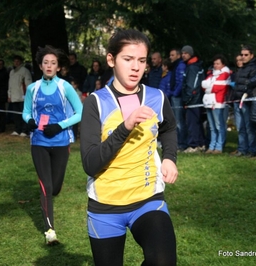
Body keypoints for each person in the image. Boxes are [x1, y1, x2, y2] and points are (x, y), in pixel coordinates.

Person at [80, 29, 177, 266]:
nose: (136, 67)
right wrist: (125, 127)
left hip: (148, 199)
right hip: (106, 207)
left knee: (163, 262)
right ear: (111, 60)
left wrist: (170, 157)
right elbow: (90, 164)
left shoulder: (157, 97)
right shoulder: (96, 102)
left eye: (142, 61)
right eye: (128, 59)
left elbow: (169, 128)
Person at [22, 45, 83, 245]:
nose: (49, 66)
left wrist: (59, 126)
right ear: (40, 66)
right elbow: (26, 112)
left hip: (60, 141)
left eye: (53, 63)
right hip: (38, 141)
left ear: (58, 67)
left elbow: (80, 112)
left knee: (55, 188)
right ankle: (50, 232)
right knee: (46, 187)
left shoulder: (65, 87)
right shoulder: (33, 88)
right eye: (46, 62)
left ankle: (52, 191)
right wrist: (29, 121)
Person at [230, 45, 256, 157]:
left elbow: (252, 85)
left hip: (246, 101)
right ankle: (242, 149)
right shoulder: (241, 69)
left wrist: (247, 95)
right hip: (237, 100)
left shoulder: (254, 68)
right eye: (242, 55)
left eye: (246, 55)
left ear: (251, 55)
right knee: (240, 127)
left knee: (248, 127)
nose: (243, 57)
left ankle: (252, 150)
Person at [202, 54, 231, 154]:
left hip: (218, 103)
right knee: (212, 127)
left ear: (223, 64)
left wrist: (208, 86)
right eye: (214, 63)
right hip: (209, 102)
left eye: (218, 63)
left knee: (219, 126)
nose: (215, 65)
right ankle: (211, 146)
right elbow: (203, 86)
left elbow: (218, 87)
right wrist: (210, 86)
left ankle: (219, 147)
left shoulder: (225, 74)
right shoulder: (211, 74)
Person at [181, 45, 206, 153]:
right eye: (182, 53)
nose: (183, 55)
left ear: (190, 54)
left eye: (185, 53)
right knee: (197, 122)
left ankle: (193, 145)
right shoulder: (193, 66)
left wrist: (187, 100)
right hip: (196, 99)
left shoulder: (192, 67)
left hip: (193, 101)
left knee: (192, 123)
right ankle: (201, 143)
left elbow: (192, 86)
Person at [8, 55, 33, 137]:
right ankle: (17, 129)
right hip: (14, 97)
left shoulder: (25, 71)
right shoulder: (12, 72)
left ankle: (25, 130)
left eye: (18, 61)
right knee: (16, 115)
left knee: (24, 114)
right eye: (15, 61)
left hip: (23, 97)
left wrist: (28, 96)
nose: (16, 63)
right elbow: (10, 85)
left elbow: (28, 84)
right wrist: (9, 95)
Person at [169, 48, 187, 151]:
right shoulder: (175, 65)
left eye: (172, 55)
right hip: (174, 95)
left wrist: (175, 93)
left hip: (177, 97)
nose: (170, 57)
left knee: (179, 121)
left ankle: (182, 143)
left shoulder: (180, 66)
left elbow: (180, 81)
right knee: (175, 120)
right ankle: (177, 142)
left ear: (178, 56)